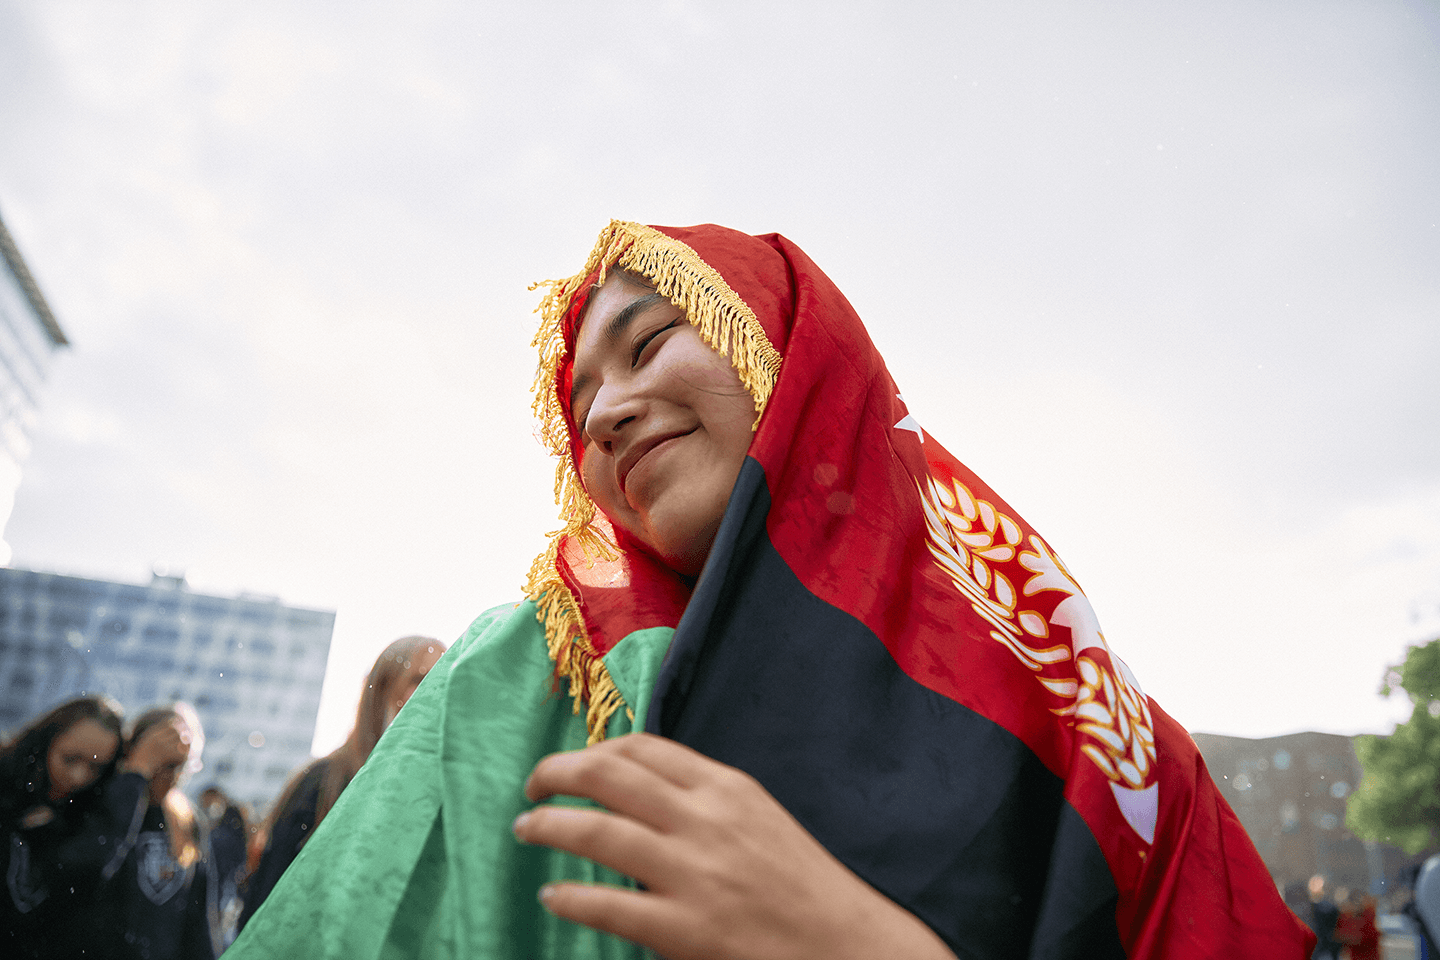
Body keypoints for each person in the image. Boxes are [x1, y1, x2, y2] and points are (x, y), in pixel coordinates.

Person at [226, 221, 1316, 958]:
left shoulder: (1098, 724)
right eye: (583, 401)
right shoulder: (519, 677)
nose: (604, 415)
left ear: (792, 356)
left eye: (648, 344)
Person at [237, 634, 446, 930]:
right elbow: (268, 902)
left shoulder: (438, 791)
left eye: (445, 677)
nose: (435, 688)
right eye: (419, 678)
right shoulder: (321, 783)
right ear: (383, 691)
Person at [1, 695, 132, 959]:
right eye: (70, 758)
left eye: (96, 768)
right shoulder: (6, 778)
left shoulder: (89, 812)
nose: (78, 777)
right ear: (47, 741)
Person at [110, 703, 217, 960]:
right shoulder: (113, 802)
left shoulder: (187, 818)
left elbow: (199, 915)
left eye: (182, 766)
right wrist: (135, 778)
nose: (174, 777)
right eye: (165, 764)